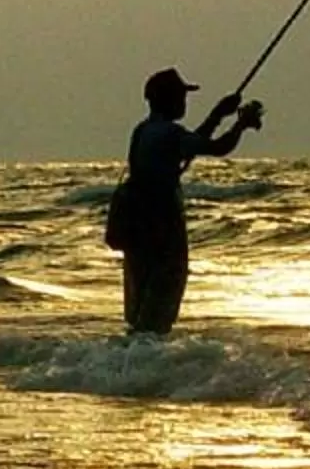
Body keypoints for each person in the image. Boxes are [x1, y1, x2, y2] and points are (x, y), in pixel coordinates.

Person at [108, 67, 263, 334]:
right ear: (168, 99)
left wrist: (217, 114)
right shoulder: (169, 133)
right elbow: (217, 147)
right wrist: (241, 123)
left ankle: (129, 364)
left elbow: (194, 142)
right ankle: (146, 366)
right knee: (160, 309)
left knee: (141, 310)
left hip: (137, 229)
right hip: (163, 228)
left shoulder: (143, 131)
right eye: (181, 96)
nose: (184, 102)